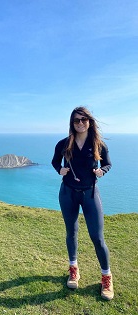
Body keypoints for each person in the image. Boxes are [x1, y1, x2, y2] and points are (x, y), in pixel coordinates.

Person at [52, 106, 114, 300]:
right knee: (71, 232)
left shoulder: (98, 144)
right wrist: (59, 170)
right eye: (76, 120)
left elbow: (108, 163)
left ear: (90, 122)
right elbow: (55, 162)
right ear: (72, 123)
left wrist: (102, 171)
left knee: (97, 238)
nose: (80, 123)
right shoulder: (64, 144)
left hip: (90, 194)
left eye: (84, 120)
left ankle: (106, 277)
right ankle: (73, 269)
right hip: (67, 194)